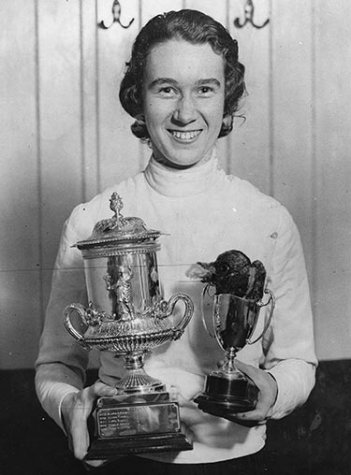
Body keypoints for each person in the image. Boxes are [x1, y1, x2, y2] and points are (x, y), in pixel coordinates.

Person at [35, 9, 317, 475]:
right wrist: (70, 408)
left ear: (227, 99)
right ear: (138, 99)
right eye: (166, 88)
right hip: (128, 461)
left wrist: (273, 392)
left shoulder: (269, 219)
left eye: (205, 89)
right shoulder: (90, 221)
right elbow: (55, 366)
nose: (186, 112)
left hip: (239, 460)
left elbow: (296, 360)